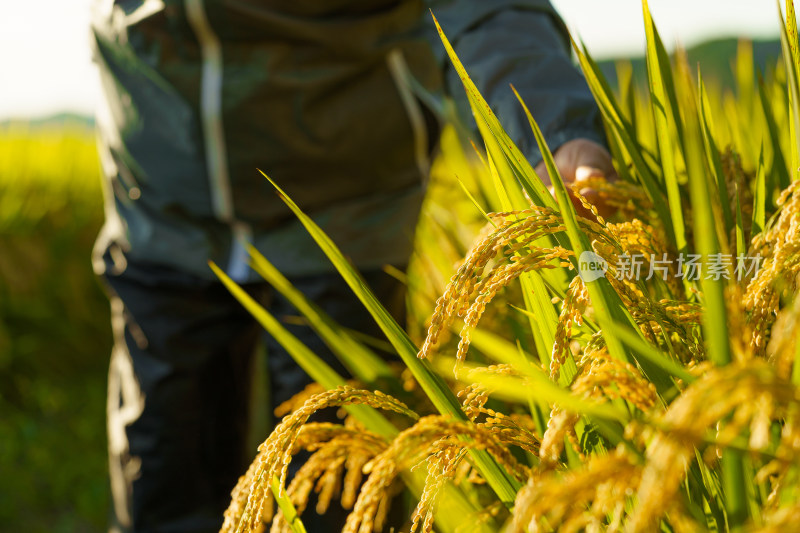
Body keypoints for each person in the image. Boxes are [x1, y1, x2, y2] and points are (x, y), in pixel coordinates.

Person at [89, 1, 614, 531]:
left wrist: (554, 137)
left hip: (346, 211)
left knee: (340, 494)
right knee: (160, 483)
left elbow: (487, 9)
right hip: (159, 199)